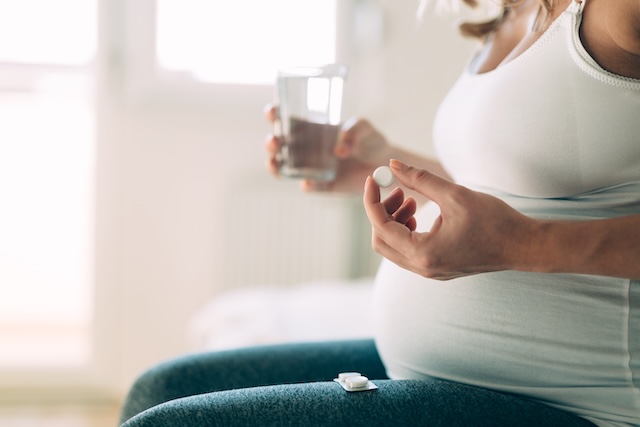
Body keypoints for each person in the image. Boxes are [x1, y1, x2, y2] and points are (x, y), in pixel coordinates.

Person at [119, 0, 640, 426]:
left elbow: (523, 222)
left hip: (578, 404)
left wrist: (520, 246)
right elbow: (522, 183)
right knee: (161, 389)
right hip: (451, 374)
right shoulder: (511, 9)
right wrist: (382, 164)